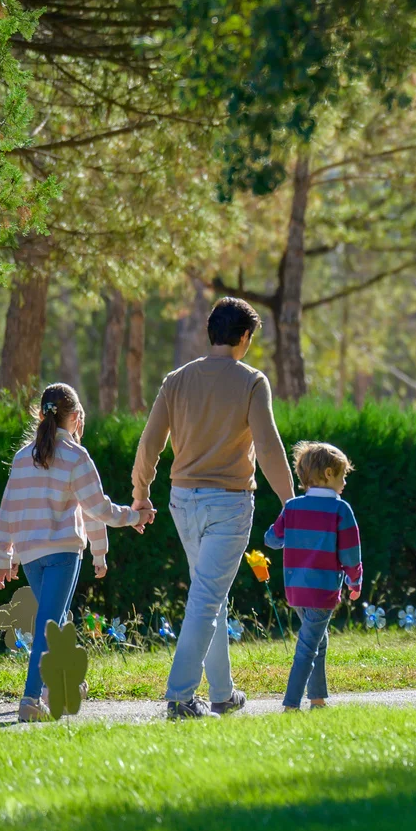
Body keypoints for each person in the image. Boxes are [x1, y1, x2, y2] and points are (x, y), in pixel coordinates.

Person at [132, 296, 296, 719]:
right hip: (229, 502)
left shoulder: (176, 380)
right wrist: (289, 502)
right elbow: (269, 446)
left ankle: (222, 694)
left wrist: (141, 492)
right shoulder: (251, 381)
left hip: (183, 501)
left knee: (211, 594)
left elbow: (150, 443)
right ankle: (180, 698)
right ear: (244, 337)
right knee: (207, 598)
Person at [0, 383, 152, 723]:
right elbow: (99, 509)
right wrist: (134, 517)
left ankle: (63, 685)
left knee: (56, 618)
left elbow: (9, 509)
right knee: (50, 622)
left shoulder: (22, 459)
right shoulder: (76, 457)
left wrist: (5, 556)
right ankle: (31, 698)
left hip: (31, 554)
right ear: (77, 417)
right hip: (63, 553)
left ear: (41, 415)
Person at [263, 441, 362, 711]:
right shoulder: (341, 510)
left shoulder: (292, 507)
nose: (344, 482)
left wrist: (288, 524)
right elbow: (350, 553)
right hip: (322, 590)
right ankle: (291, 704)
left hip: (296, 591)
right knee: (308, 646)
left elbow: (272, 539)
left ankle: (317, 699)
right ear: (329, 474)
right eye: (342, 476)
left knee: (318, 640)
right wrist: (355, 580)